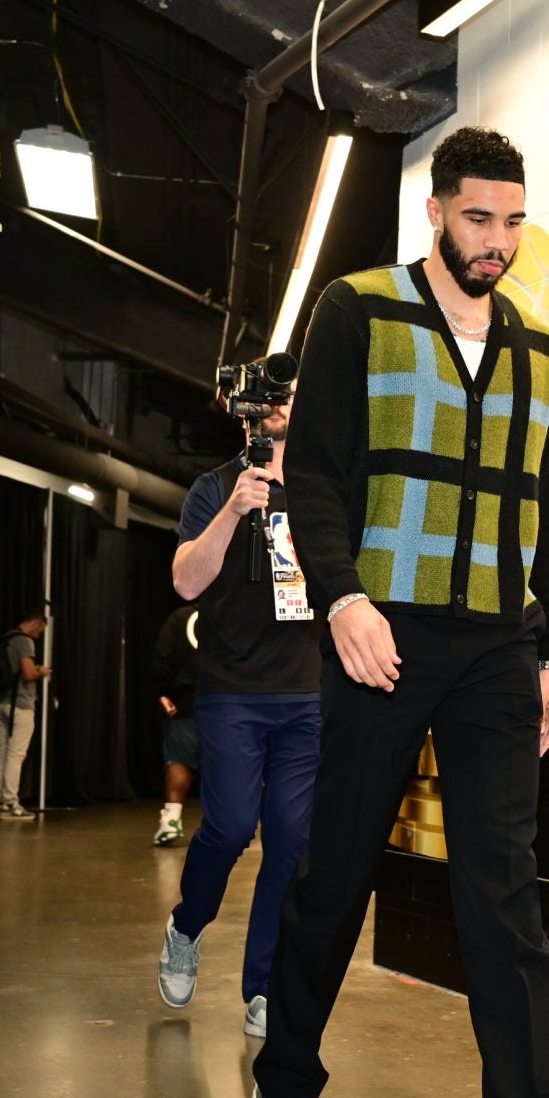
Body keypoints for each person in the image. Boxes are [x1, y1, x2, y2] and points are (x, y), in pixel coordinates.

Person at [256, 126, 549, 1098]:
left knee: (502, 894)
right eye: (476, 218)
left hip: (497, 649)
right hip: (382, 631)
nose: (496, 242)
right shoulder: (359, 311)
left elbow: (533, 513)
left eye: (512, 221)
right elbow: (309, 472)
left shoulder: (539, 353)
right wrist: (342, 599)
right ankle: (288, 1073)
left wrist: (544, 644)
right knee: (342, 861)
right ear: (436, 214)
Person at [157, 388, 320, 1039]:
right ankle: (186, 927)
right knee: (228, 828)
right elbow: (185, 582)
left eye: (291, 396)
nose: (280, 406)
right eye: (270, 397)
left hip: (305, 693)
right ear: (247, 411)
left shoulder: (320, 485)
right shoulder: (214, 486)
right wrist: (233, 509)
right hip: (232, 693)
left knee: (291, 838)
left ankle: (263, 986)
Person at [0, 608, 50, 820]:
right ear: (35, 622)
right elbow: (28, 673)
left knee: (2, 753)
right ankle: (11, 802)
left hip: (1, 702)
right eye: (41, 628)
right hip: (21, 704)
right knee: (16, 755)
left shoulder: (5, 639)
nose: (40, 633)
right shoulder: (25, 642)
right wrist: (41, 671)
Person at [152, 602, 201, 845]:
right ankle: (235, 823)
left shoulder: (181, 617)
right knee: (232, 763)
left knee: (179, 759)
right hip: (230, 702)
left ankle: (170, 821)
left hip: (186, 701)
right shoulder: (237, 609)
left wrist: (162, 692)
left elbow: (163, 656)